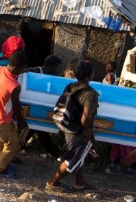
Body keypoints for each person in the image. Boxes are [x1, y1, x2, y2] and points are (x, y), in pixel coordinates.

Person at [46, 60, 99, 193]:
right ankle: (53, 182)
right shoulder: (90, 94)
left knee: (77, 154)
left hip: (69, 126)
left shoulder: (70, 86)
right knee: (73, 158)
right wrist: (87, 130)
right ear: (90, 75)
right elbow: (86, 117)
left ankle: (79, 183)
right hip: (80, 130)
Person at [0, 50, 28, 178]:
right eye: (22, 69)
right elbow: (16, 107)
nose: (22, 72)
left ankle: (2, 162)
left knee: (2, 141)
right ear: (16, 67)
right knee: (12, 144)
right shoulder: (14, 85)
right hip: (2, 120)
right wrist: (22, 121)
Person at [23, 55, 63, 158]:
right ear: (50, 67)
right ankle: (53, 153)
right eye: (58, 68)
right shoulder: (33, 72)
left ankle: (21, 144)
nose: (59, 71)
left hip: (38, 108)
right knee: (40, 129)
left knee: (37, 127)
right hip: (28, 106)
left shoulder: (51, 77)